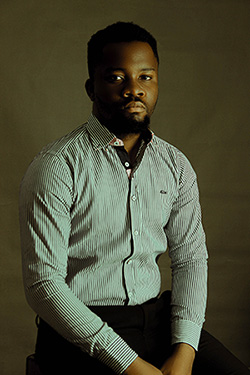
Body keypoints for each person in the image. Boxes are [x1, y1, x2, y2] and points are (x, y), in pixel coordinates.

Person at [19, 22, 249, 375]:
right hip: (80, 329)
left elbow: (190, 259)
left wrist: (185, 351)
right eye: (116, 78)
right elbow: (43, 285)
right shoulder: (57, 166)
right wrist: (129, 364)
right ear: (90, 87)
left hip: (157, 321)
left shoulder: (175, 165)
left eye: (146, 77)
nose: (134, 90)